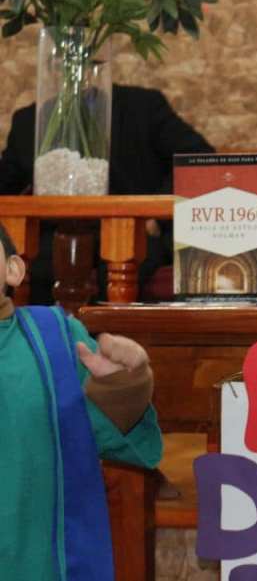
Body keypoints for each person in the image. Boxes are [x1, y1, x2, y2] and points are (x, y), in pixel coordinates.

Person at [0, 221, 163, 581]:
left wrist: (121, 387)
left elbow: (115, 437)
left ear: (13, 270)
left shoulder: (55, 341)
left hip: (39, 562)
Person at [0, 83, 214, 303]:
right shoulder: (30, 119)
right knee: (31, 267)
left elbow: (199, 161)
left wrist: (155, 218)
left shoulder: (142, 106)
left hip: (133, 230)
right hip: (53, 235)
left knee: (125, 260)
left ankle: (106, 326)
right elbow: (7, 182)